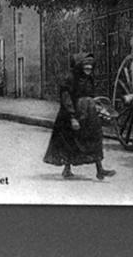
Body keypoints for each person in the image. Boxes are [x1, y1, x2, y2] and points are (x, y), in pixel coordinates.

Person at [43, 52, 116, 180]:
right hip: (72, 113)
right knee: (71, 141)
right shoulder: (70, 79)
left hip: (88, 114)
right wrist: (72, 117)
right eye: (86, 67)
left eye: (90, 67)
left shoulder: (89, 78)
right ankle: (67, 169)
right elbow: (66, 98)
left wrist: (98, 108)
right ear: (80, 66)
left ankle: (100, 170)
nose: (89, 70)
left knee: (95, 138)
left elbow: (91, 96)